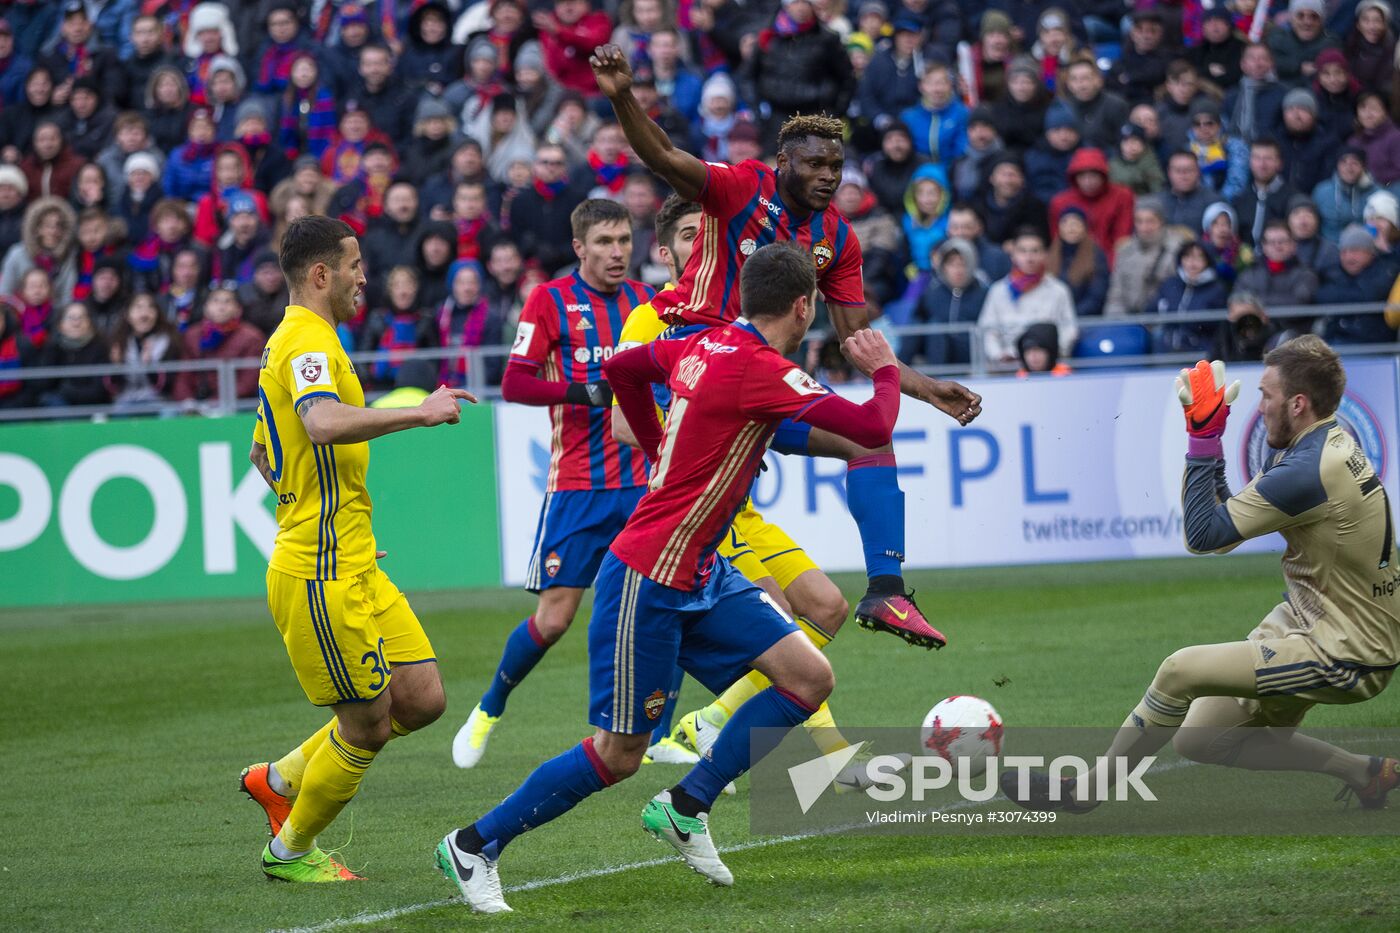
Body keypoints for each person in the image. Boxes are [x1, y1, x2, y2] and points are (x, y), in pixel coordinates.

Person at [436, 243, 905, 912]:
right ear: (803, 308)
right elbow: (872, 427)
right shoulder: (761, 368)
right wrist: (883, 370)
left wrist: (661, 449)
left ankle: (687, 804)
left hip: (701, 571)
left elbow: (623, 365)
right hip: (648, 577)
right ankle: (475, 843)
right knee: (619, 753)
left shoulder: (703, 343)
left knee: (808, 677)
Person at [592, 42, 981, 642]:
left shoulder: (837, 237)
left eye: (836, 167)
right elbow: (666, 157)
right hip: (704, 359)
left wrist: (929, 390)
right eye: (815, 165)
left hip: (765, 381)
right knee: (751, 596)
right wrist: (621, 96)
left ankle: (885, 592)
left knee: (866, 442)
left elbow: (859, 339)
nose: (828, 176)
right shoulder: (739, 188)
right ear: (782, 162)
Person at [1004, 340, 1400, 816]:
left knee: (1180, 670)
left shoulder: (1306, 469)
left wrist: (1201, 438)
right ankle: (1365, 773)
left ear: (1298, 403)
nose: (1260, 405)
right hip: (1312, 622)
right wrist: (1210, 444)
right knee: (1200, 739)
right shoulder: (1320, 445)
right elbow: (1228, 529)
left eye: (1266, 395)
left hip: (1347, 650)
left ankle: (1087, 791)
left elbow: (1203, 535)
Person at [608, 195, 899, 788]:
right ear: (666, 252)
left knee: (827, 608)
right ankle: (827, 755)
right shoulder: (652, 317)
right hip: (691, 515)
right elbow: (620, 420)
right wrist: (693, 444)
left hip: (740, 503)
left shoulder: (727, 319)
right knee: (783, 625)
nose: (699, 245)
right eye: (687, 236)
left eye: (705, 233)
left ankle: (712, 719)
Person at [240, 214, 475, 883]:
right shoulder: (305, 342)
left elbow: (263, 449)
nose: (363, 278)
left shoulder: (303, 341)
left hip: (352, 559)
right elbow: (318, 422)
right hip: (319, 572)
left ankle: (280, 777)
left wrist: (338, 524)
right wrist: (420, 412)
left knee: (422, 696)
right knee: (368, 723)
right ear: (321, 274)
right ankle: (289, 852)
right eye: (354, 266)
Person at [449, 200, 655, 769]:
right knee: (556, 618)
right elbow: (514, 383)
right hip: (578, 487)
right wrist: (581, 392)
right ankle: (489, 709)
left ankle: (660, 733)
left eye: (623, 240)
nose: (617, 252)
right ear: (580, 248)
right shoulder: (550, 301)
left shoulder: (648, 302)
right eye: (605, 242)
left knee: (663, 604)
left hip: (644, 482)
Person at [979, 228, 1078, 365]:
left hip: (1048, 368)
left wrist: (1052, 354)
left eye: (1035, 251)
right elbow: (987, 331)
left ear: (1045, 254)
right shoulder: (998, 291)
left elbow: (1069, 330)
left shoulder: (1059, 290)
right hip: (1008, 368)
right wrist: (999, 356)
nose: (1029, 258)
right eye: (1023, 251)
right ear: (1013, 255)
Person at [174, 287, 267, 402]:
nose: (221, 307)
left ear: (238, 310)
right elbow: (183, 376)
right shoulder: (192, 335)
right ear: (205, 308)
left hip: (237, 404)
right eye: (215, 301)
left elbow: (249, 380)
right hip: (197, 403)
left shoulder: (252, 337)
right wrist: (187, 402)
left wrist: (217, 403)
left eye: (227, 302)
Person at [1048, 147, 1136, 265]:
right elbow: (1058, 242)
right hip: (1073, 263)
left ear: (1103, 176)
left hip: (1112, 261)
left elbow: (1122, 237)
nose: (1088, 182)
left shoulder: (1122, 196)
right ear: (1075, 178)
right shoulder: (1060, 202)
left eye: (1093, 176)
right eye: (1082, 177)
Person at [1318, 225, 1397, 345]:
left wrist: (1341, 298)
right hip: (1336, 342)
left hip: (1375, 345)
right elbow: (1321, 296)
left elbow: (1371, 294)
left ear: (1370, 252)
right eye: (1344, 252)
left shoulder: (1386, 270)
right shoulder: (1334, 271)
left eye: (1355, 250)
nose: (1348, 257)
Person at [1148, 240, 1230, 353]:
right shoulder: (1170, 284)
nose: (1192, 263)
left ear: (1207, 261)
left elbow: (1217, 325)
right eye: (1187, 257)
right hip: (1165, 350)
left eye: (1199, 257)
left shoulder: (1216, 289)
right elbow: (1150, 312)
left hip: (1199, 352)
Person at [34, 300, 109, 407]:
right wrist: (52, 351)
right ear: (61, 325)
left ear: (89, 322)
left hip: (91, 405)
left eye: (81, 318)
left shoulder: (99, 348)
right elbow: (43, 385)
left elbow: (99, 391)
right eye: (70, 318)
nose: (76, 323)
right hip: (61, 404)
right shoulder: (53, 347)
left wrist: (66, 390)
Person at [1235, 220, 1319, 306]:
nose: (1277, 246)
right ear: (1264, 246)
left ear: (1293, 245)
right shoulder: (1249, 274)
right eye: (1271, 242)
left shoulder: (1306, 275)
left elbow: (1299, 301)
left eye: (1282, 241)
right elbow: (1238, 301)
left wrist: (1256, 302)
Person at [1047, 205, 1110, 317]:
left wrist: (1071, 316)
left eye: (1076, 223)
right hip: (1053, 319)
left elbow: (1096, 296)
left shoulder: (1096, 256)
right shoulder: (1050, 255)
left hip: (1084, 318)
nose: (1071, 228)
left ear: (1084, 227)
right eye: (1065, 223)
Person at [1311, 147, 1380, 242]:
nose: (1349, 168)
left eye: (1354, 163)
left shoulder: (1376, 193)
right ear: (1337, 165)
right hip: (1330, 249)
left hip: (1365, 249)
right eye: (1344, 163)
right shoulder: (1321, 191)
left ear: (1363, 166)